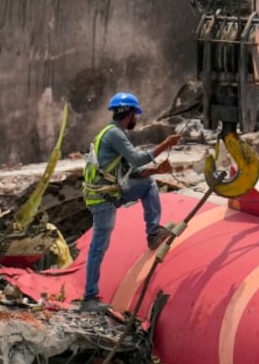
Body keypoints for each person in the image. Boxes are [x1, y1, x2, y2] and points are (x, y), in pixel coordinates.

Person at [78, 91, 181, 313]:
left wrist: (156, 169)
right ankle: (89, 298)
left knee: (149, 184)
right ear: (130, 114)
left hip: (108, 193)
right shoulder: (115, 135)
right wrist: (166, 144)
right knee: (98, 248)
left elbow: (132, 172)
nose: (136, 119)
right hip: (103, 198)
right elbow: (136, 159)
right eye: (135, 114)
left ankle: (153, 233)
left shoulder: (111, 134)